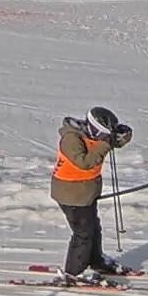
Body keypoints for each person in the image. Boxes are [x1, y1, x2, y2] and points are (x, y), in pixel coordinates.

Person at [52, 106, 134, 280]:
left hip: (86, 192)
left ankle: (96, 261)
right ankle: (72, 272)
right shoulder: (71, 139)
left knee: (94, 228)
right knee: (83, 233)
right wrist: (105, 144)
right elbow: (84, 162)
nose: (105, 138)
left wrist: (123, 137)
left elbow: (108, 144)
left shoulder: (92, 135)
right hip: (71, 193)